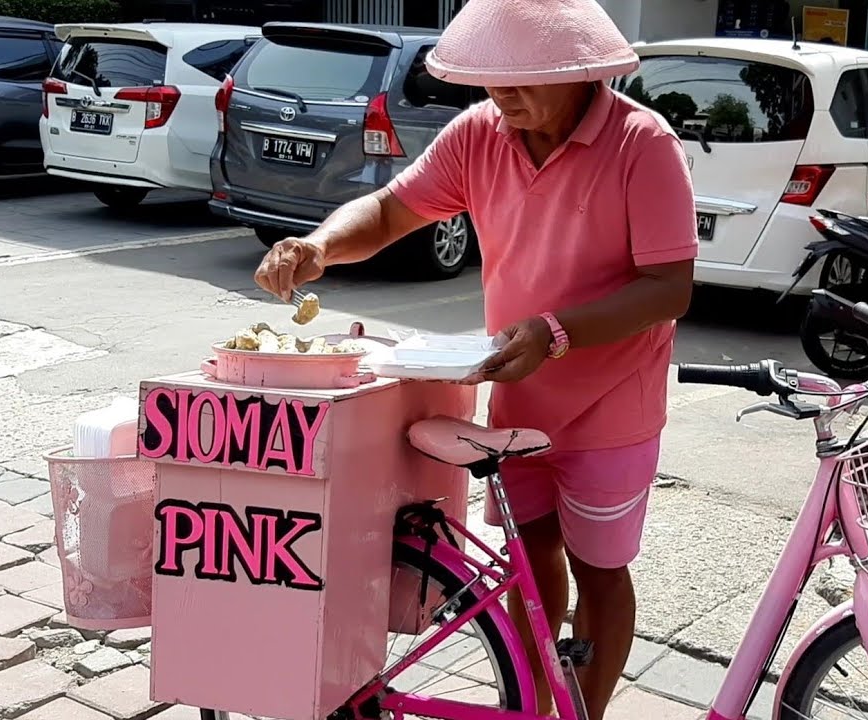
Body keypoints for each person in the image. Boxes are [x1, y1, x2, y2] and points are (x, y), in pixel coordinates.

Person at [252, 0, 698, 716]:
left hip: (614, 402)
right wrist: (321, 246)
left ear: (577, 70)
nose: (502, 95)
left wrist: (555, 332)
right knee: (532, 560)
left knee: (601, 570)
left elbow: (668, 288)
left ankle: (586, 709)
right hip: (517, 393)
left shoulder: (641, 143)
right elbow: (395, 211)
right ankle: (531, 703)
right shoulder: (480, 134)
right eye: (491, 79)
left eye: (521, 80)